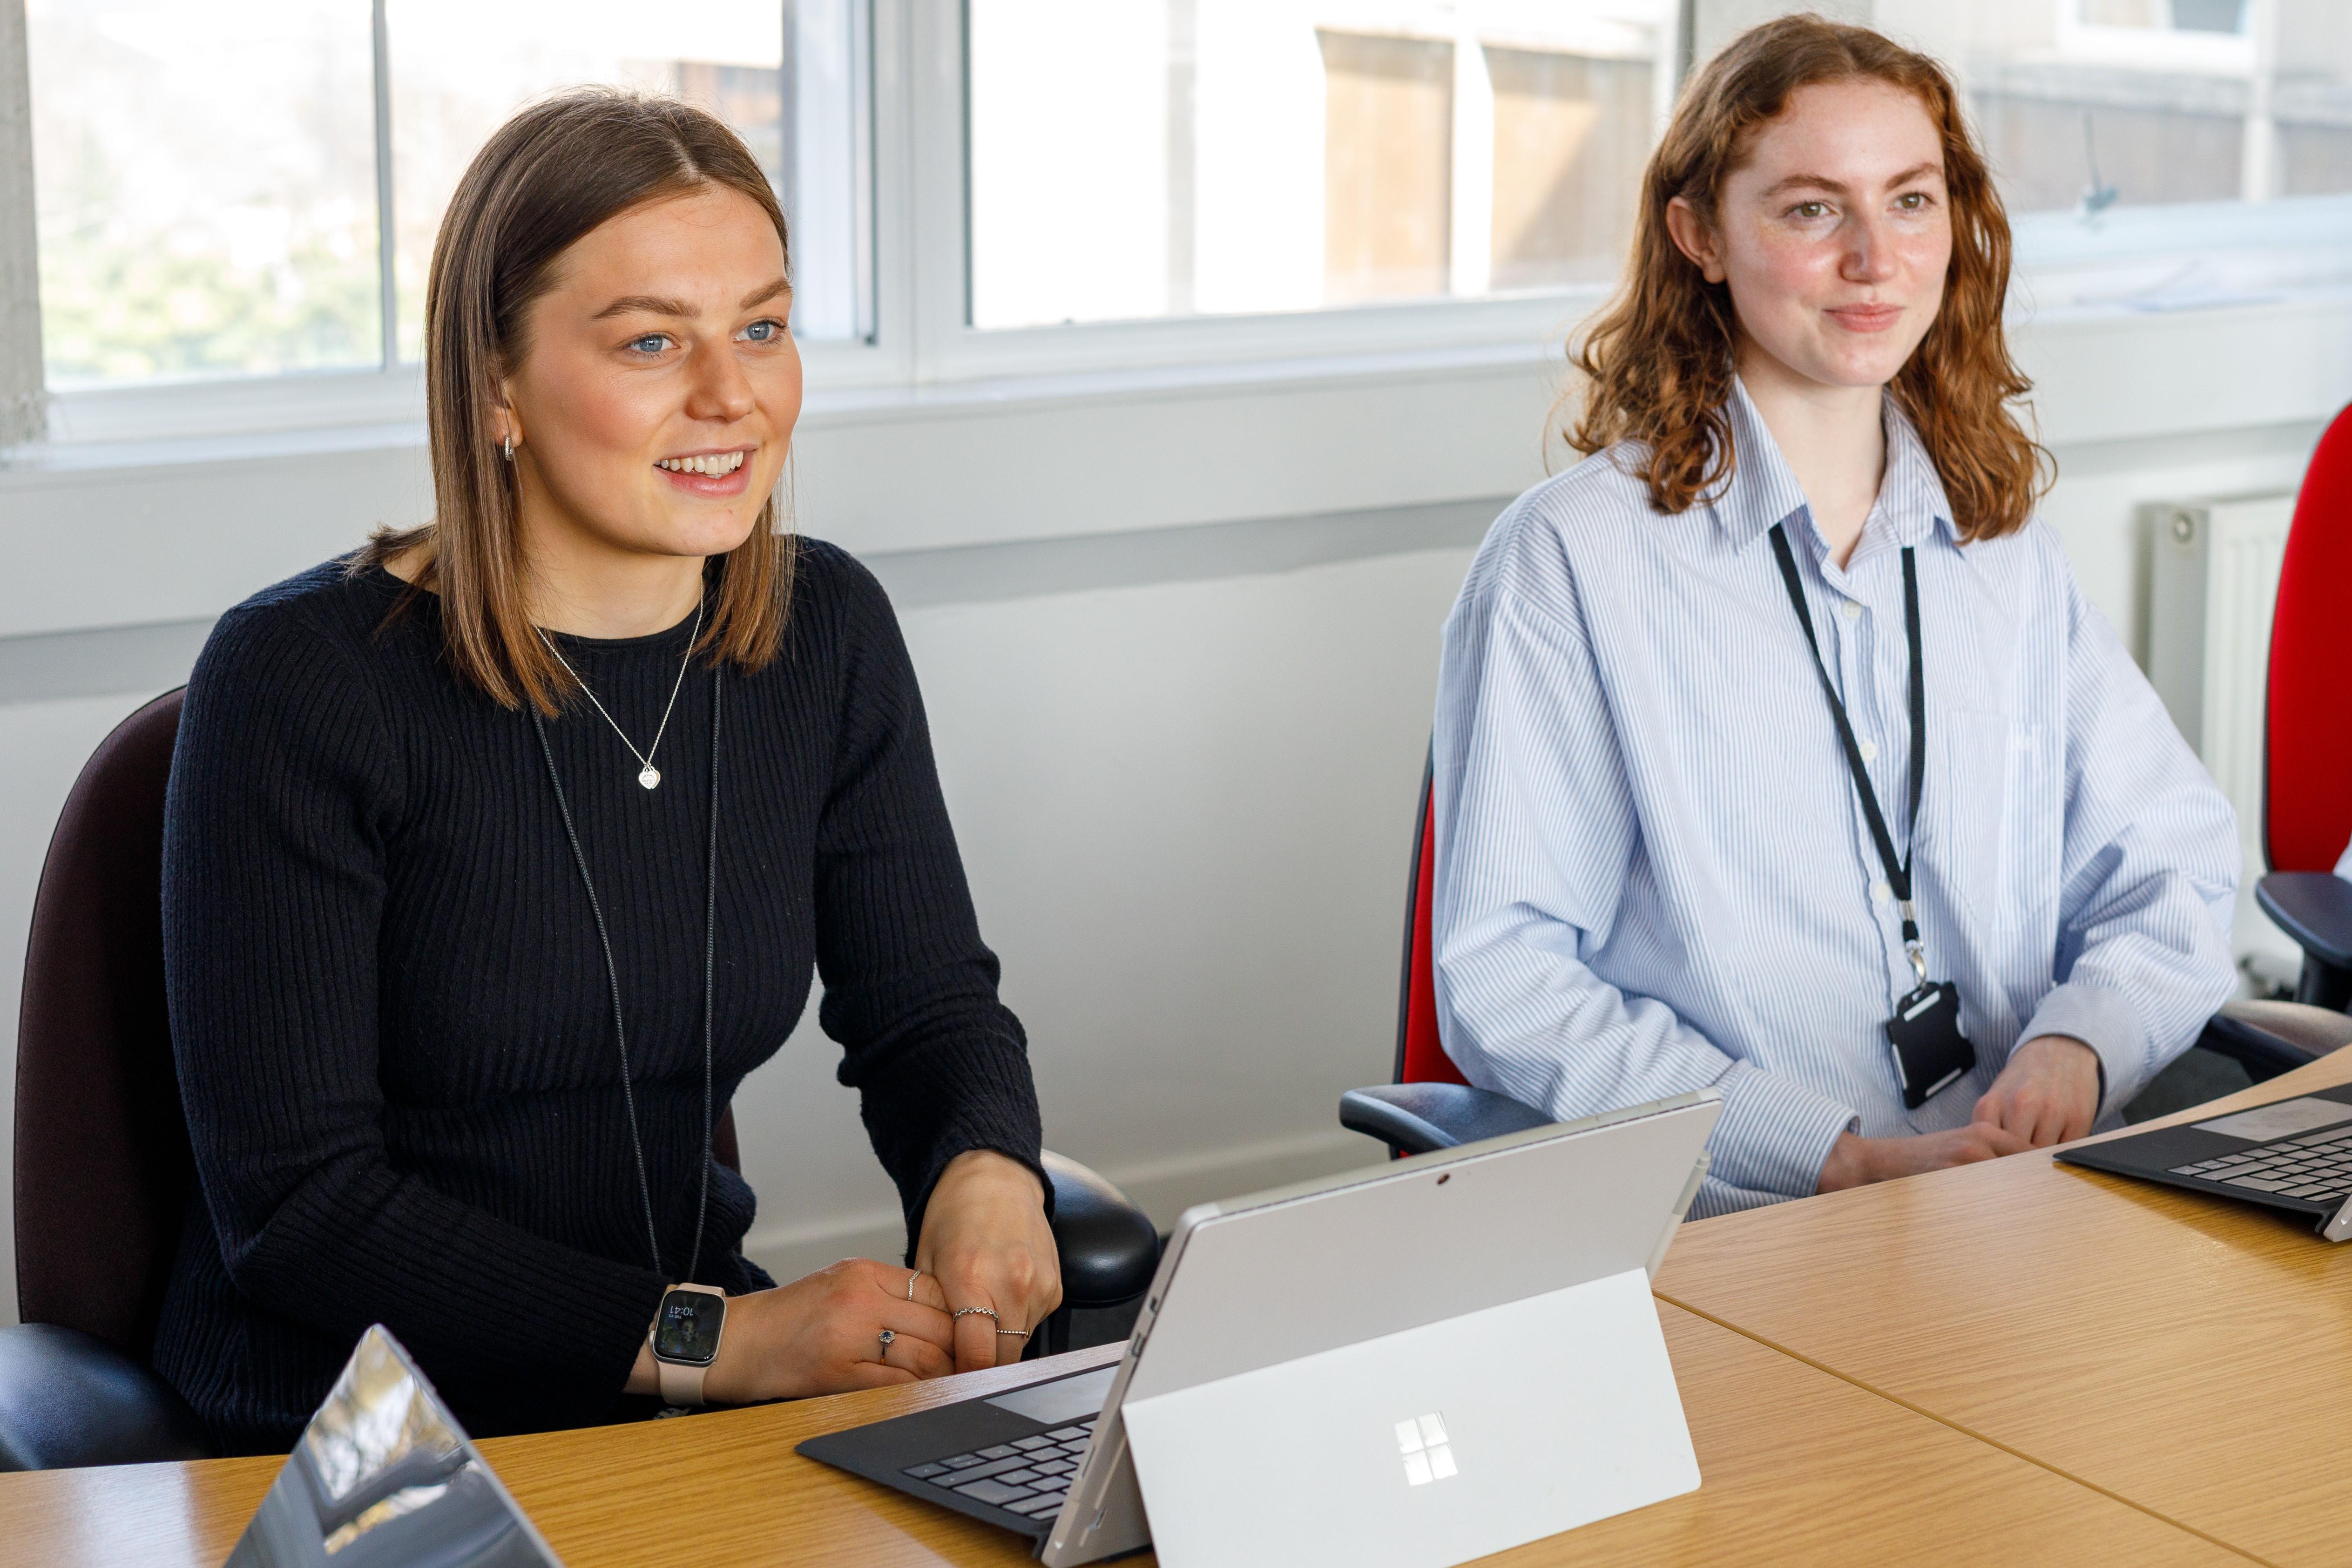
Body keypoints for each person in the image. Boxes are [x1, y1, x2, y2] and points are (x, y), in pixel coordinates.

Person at [158, 89, 1059, 1453]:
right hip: (348, 1429)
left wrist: (984, 1171)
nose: (731, 394)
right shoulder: (304, 681)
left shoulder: (824, 635)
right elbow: (301, 1214)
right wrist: (722, 1339)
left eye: (761, 326)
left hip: (684, 1397)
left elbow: (928, 1011)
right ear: (495, 385)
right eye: (652, 341)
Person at [1430, 16, 2239, 1218]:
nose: (1875, 259)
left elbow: (2169, 866)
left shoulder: (1997, 543)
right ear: (1698, 234)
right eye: (1812, 210)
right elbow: (1510, 981)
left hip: (2024, 1197)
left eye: (1909, 202)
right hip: (1749, 1222)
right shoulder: (1571, 564)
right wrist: (1827, 1151)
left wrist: (2078, 1047)